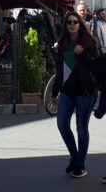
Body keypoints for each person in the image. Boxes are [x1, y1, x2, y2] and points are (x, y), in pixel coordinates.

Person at [51, 12, 99, 179]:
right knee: (62, 125)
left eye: (75, 22)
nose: (72, 25)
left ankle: (81, 164)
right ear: (66, 25)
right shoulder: (63, 44)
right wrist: (54, 91)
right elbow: (59, 71)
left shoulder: (89, 43)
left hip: (84, 91)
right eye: (69, 22)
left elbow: (96, 65)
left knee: (81, 129)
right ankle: (74, 156)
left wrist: (83, 54)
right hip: (67, 90)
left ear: (80, 24)